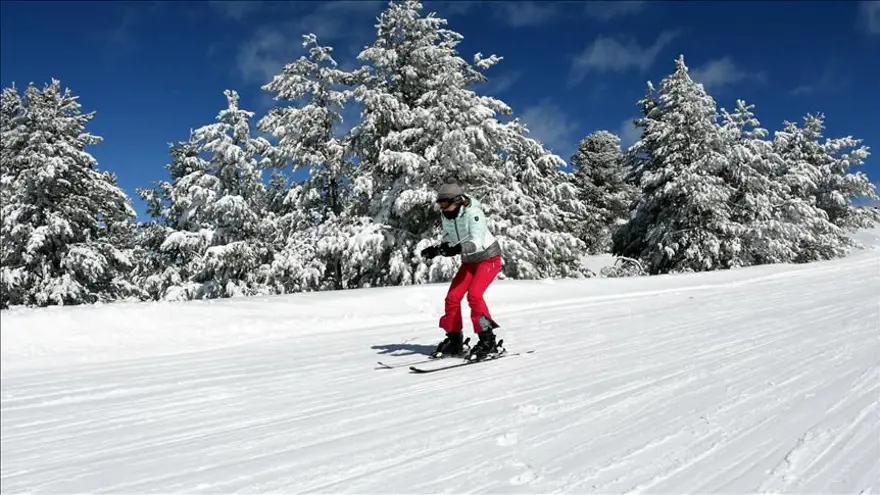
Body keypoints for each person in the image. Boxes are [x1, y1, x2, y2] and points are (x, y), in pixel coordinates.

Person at [420, 181, 504, 361]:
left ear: (457, 201)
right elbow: (449, 238)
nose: (443, 208)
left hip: (488, 257)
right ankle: (454, 339)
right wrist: (438, 249)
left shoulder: (473, 213)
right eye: (440, 204)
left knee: (474, 296)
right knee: (452, 297)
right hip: (469, 261)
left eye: (445, 203)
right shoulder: (447, 215)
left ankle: (487, 339)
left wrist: (457, 249)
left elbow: (476, 240)